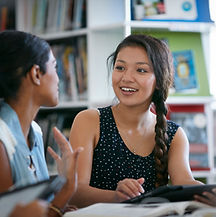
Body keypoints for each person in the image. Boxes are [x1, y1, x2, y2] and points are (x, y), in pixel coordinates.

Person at [68, 34, 204, 208]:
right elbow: (74, 191)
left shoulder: (174, 135)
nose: (126, 77)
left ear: (159, 81)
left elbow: (184, 182)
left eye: (141, 70)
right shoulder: (89, 121)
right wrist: (116, 197)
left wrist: (209, 192)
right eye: (120, 68)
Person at [0, 30, 83, 216]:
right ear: (36, 73)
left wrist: (58, 208)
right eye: (54, 66)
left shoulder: (35, 131)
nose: (59, 77)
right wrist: (67, 188)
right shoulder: (1, 139)